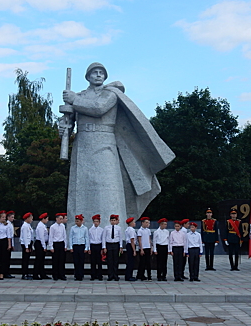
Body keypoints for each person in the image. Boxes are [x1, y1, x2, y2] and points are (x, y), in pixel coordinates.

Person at [60, 62, 175, 227]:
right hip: (83, 143)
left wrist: (74, 100)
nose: (98, 75)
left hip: (105, 144)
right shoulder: (80, 96)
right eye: (94, 72)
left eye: (101, 72)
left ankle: (112, 233)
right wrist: (64, 127)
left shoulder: (111, 93)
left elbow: (99, 108)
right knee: (81, 191)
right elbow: (70, 123)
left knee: (107, 192)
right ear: (88, 77)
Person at [102, 214, 123, 281]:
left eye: (114, 220)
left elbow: (120, 237)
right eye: (112, 220)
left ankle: (115, 275)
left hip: (116, 244)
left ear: (116, 221)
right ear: (110, 221)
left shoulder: (118, 228)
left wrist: (121, 246)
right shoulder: (106, 228)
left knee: (116, 260)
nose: (113, 222)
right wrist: (104, 247)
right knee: (110, 260)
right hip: (109, 244)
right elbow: (104, 237)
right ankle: (110, 275)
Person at [69, 214, 90, 281]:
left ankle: (81, 275)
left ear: (81, 221)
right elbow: (70, 237)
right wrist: (71, 247)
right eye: (76, 221)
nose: (76, 222)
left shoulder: (85, 228)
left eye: (78, 221)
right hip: (75, 246)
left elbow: (87, 238)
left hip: (82, 245)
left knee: (81, 261)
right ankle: (76, 275)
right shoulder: (73, 228)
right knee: (76, 261)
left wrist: (86, 247)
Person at [49, 213, 67, 281]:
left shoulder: (62, 226)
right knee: (55, 260)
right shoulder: (53, 227)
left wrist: (65, 245)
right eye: (60, 219)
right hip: (55, 244)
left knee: (62, 260)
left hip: (61, 243)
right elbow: (51, 237)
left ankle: (62, 274)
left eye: (62, 219)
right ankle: (55, 275)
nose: (61, 220)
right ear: (56, 219)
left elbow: (64, 236)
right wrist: (51, 247)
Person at [34, 213, 50, 280]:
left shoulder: (42, 225)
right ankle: (36, 274)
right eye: (47, 219)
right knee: (39, 260)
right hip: (40, 243)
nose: (47, 221)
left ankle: (42, 274)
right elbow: (41, 237)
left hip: (42, 243)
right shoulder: (40, 226)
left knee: (41, 260)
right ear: (43, 219)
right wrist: (44, 246)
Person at [136, 216, 152, 281]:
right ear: (142, 223)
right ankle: (141, 275)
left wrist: (151, 247)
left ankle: (149, 276)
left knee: (148, 262)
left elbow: (149, 239)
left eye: (148, 223)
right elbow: (139, 240)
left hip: (148, 247)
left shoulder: (148, 230)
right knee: (142, 262)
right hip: (143, 248)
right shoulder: (140, 231)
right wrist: (141, 249)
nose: (147, 224)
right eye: (146, 222)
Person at [89, 214, 104, 281]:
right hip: (92, 245)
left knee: (99, 261)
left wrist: (103, 248)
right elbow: (89, 239)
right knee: (93, 261)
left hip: (99, 245)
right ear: (93, 222)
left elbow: (103, 239)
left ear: (99, 222)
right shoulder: (90, 230)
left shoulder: (101, 230)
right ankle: (93, 275)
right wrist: (89, 248)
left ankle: (100, 275)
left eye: (97, 221)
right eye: (95, 221)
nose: (96, 223)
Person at [20, 212, 34, 280]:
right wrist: (26, 247)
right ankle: (24, 274)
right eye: (31, 218)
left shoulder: (28, 225)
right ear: (27, 218)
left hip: (29, 243)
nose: (32, 220)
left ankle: (27, 272)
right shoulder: (25, 226)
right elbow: (25, 237)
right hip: (26, 244)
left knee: (27, 260)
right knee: (25, 260)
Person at [124, 217, 137, 281]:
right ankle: (129, 276)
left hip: (128, 245)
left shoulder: (127, 229)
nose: (135, 223)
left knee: (130, 261)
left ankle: (128, 275)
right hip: (131, 245)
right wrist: (134, 250)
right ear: (131, 223)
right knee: (131, 262)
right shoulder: (131, 230)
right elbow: (132, 240)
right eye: (134, 222)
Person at [5, 210, 16, 279]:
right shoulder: (7, 224)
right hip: (7, 242)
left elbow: (12, 236)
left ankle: (7, 271)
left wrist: (13, 244)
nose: (13, 218)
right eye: (11, 217)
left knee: (8, 258)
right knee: (6, 258)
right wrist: (10, 244)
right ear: (8, 217)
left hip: (10, 242)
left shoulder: (11, 224)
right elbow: (9, 236)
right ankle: (6, 272)